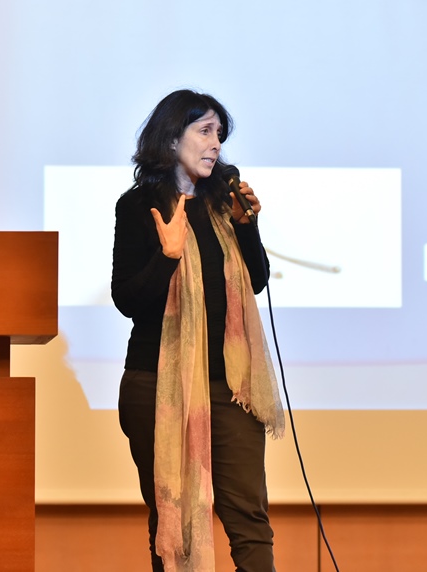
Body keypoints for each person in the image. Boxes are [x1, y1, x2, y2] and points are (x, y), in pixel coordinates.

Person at [112, 88, 285, 572]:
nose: (216, 144)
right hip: (158, 384)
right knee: (174, 520)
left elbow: (256, 281)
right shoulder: (139, 207)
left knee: (249, 518)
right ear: (172, 139)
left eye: (220, 134)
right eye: (205, 130)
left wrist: (246, 226)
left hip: (230, 387)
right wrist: (167, 257)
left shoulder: (222, 205)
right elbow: (127, 300)